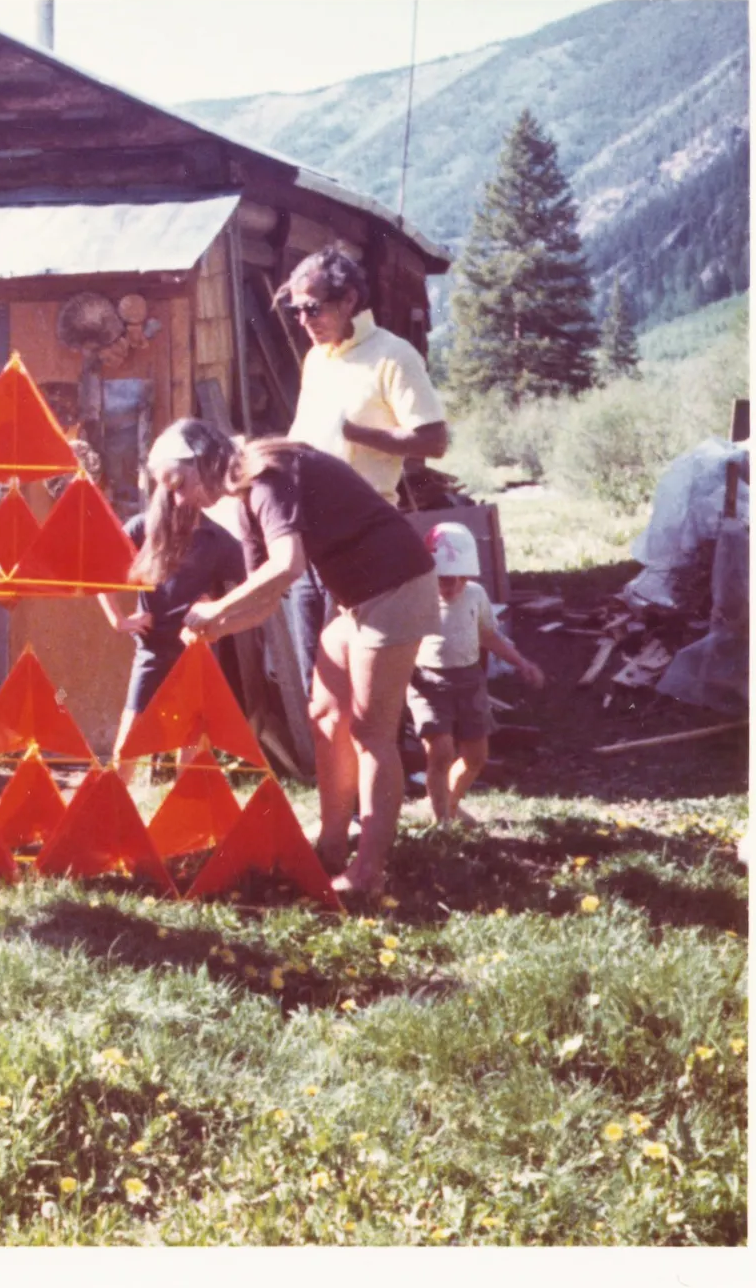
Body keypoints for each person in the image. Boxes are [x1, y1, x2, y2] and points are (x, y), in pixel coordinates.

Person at [137, 419, 441, 899]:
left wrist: (216, 609)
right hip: (356, 600)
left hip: (397, 586)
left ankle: (368, 871)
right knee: (324, 715)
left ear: (205, 461)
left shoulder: (266, 474)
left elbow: (288, 566)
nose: (178, 500)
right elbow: (266, 600)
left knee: (370, 731)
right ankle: (332, 846)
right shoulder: (243, 499)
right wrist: (217, 628)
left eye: (179, 484)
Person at [279, 246, 448, 682]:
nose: (304, 322)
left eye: (313, 309)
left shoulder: (393, 356)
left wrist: (356, 434)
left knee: (358, 678)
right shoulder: (317, 359)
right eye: (296, 310)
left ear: (349, 299)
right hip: (307, 532)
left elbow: (434, 440)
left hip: (360, 539)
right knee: (312, 673)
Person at [100, 477, 246, 776]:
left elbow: (256, 579)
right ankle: (112, 810)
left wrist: (216, 605)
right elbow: (101, 570)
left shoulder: (216, 538)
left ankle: (184, 817)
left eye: (193, 489)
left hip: (194, 650)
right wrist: (119, 620)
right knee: (127, 741)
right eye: (177, 490)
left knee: (191, 741)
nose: (185, 498)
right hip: (152, 649)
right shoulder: (143, 528)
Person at [409, 521, 545, 825]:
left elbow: (488, 635)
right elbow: (402, 642)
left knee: (476, 757)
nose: (452, 587)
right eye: (444, 579)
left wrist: (521, 663)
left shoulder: (475, 595)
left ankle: (450, 806)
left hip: (469, 680)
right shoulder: (418, 596)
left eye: (460, 579)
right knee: (441, 752)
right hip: (428, 682)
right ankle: (441, 822)